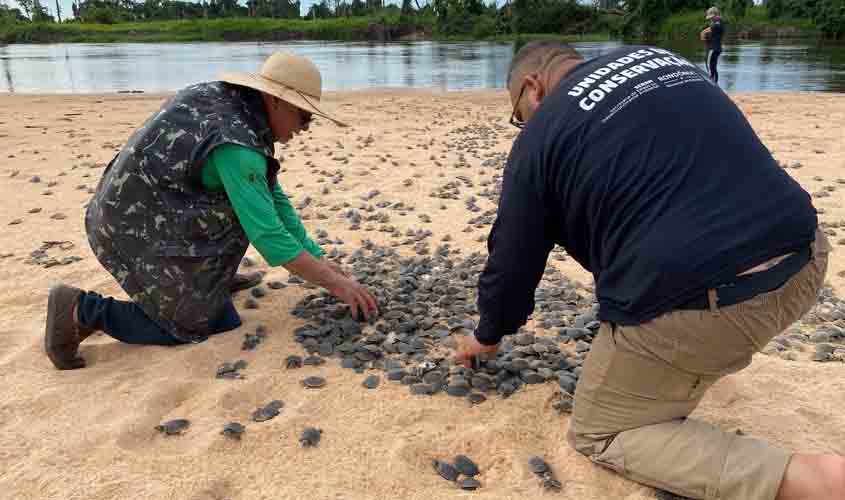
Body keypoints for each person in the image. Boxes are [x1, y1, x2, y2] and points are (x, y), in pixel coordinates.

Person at [455, 41, 844, 500]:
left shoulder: (538, 138)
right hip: (806, 257)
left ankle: (817, 480)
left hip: (718, 300)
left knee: (601, 432)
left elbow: (511, 262)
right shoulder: (661, 59)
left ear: (531, 87)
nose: (522, 125)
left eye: (518, 115)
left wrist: (488, 335)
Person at [45, 52, 378, 370]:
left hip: (140, 202)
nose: (305, 127)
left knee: (246, 203)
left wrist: (318, 258)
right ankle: (81, 310)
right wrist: (336, 285)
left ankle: (204, 277)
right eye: (303, 116)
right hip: (130, 225)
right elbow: (269, 235)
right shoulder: (237, 145)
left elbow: (272, 197)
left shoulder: (235, 105)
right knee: (204, 323)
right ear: (275, 100)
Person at [700, 6, 725, 84]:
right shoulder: (717, 23)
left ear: (716, 15)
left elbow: (711, 29)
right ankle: (715, 84)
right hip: (715, 48)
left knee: (710, 68)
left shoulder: (718, 23)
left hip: (713, 49)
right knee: (713, 68)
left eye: (712, 17)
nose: (710, 19)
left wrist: (703, 33)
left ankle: (712, 85)